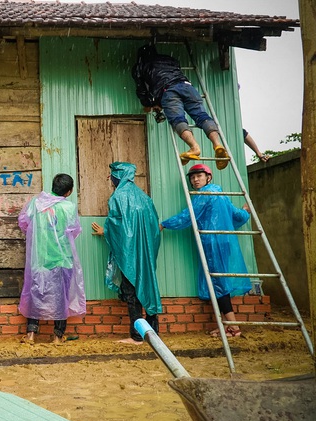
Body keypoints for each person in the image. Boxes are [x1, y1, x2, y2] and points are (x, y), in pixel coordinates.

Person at [160, 164, 251, 338]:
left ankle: (234, 327)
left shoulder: (203, 194)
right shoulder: (221, 194)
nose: (195, 180)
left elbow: (188, 215)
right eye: (192, 177)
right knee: (220, 282)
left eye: (199, 176)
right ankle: (227, 325)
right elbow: (236, 216)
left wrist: (165, 224)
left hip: (212, 243)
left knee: (218, 284)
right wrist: (246, 212)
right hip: (224, 242)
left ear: (208, 177)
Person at [91, 162, 162, 345]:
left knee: (132, 292)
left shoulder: (118, 197)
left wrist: (105, 231)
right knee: (148, 287)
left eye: (112, 176)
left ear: (117, 176)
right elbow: (155, 227)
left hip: (129, 253)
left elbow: (117, 226)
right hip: (146, 253)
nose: (111, 180)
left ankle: (138, 336)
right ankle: (154, 333)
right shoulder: (145, 198)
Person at [132, 44, 229, 170]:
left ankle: (194, 147)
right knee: (202, 116)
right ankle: (217, 144)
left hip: (168, 91)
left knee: (178, 119)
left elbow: (142, 90)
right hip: (188, 87)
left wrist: (149, 104)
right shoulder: (169, 59)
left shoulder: (140, 66)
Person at [18, 173, 86, 344]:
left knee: (36, 292)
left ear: (53, 186)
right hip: (62, 259)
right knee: (61, 297)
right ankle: (58, 336)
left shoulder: (36, 203)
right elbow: (75, 230)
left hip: (39, 258)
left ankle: (31, 335)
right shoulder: (69, 208)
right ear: (69, 191)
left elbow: (23, 223)